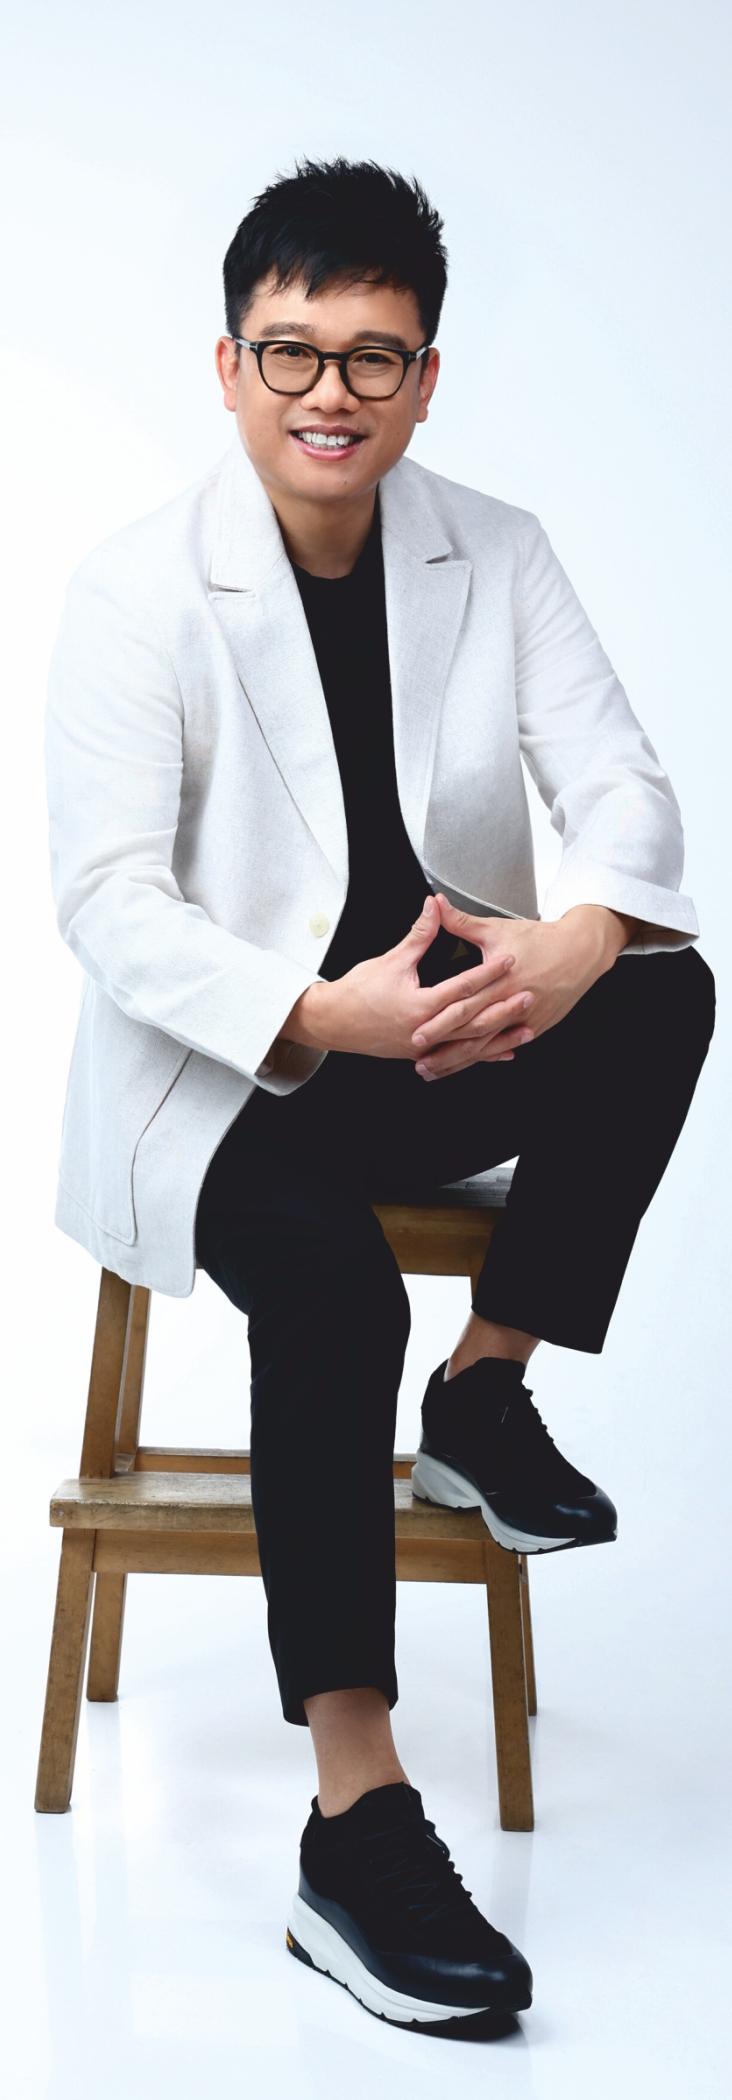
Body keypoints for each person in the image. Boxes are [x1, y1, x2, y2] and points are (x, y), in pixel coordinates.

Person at [44, 154, 716, 2035]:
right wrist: (314, 1012)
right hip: (233, 1077)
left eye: (373, 356)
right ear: (229, 366)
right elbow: (108, 904)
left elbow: (626, 791)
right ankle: (356, 1816)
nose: (328, 392)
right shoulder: (136, 588)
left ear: (427, 377)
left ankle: (485, 1389)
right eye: (292, 351)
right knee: (331, 1292)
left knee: (666, 991)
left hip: (434, 1036)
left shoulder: (494, 548)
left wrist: (573, 943)